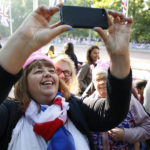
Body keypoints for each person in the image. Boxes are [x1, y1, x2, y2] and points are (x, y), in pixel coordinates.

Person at [0, 5, 133, 150]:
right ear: (23, 83)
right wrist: (22, 40)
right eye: (38, 71)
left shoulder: (76, 107)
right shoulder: (8, 114)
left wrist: (120, 58)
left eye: (51, 70)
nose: (47, 73)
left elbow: (114, 112)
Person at [84, 61, 150, 150]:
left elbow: (147, 128)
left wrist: (125, 134)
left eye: (106, 78)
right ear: (94, 83)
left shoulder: (128, 100)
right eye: (98, 79)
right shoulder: (87, 103)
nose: (102, 82)